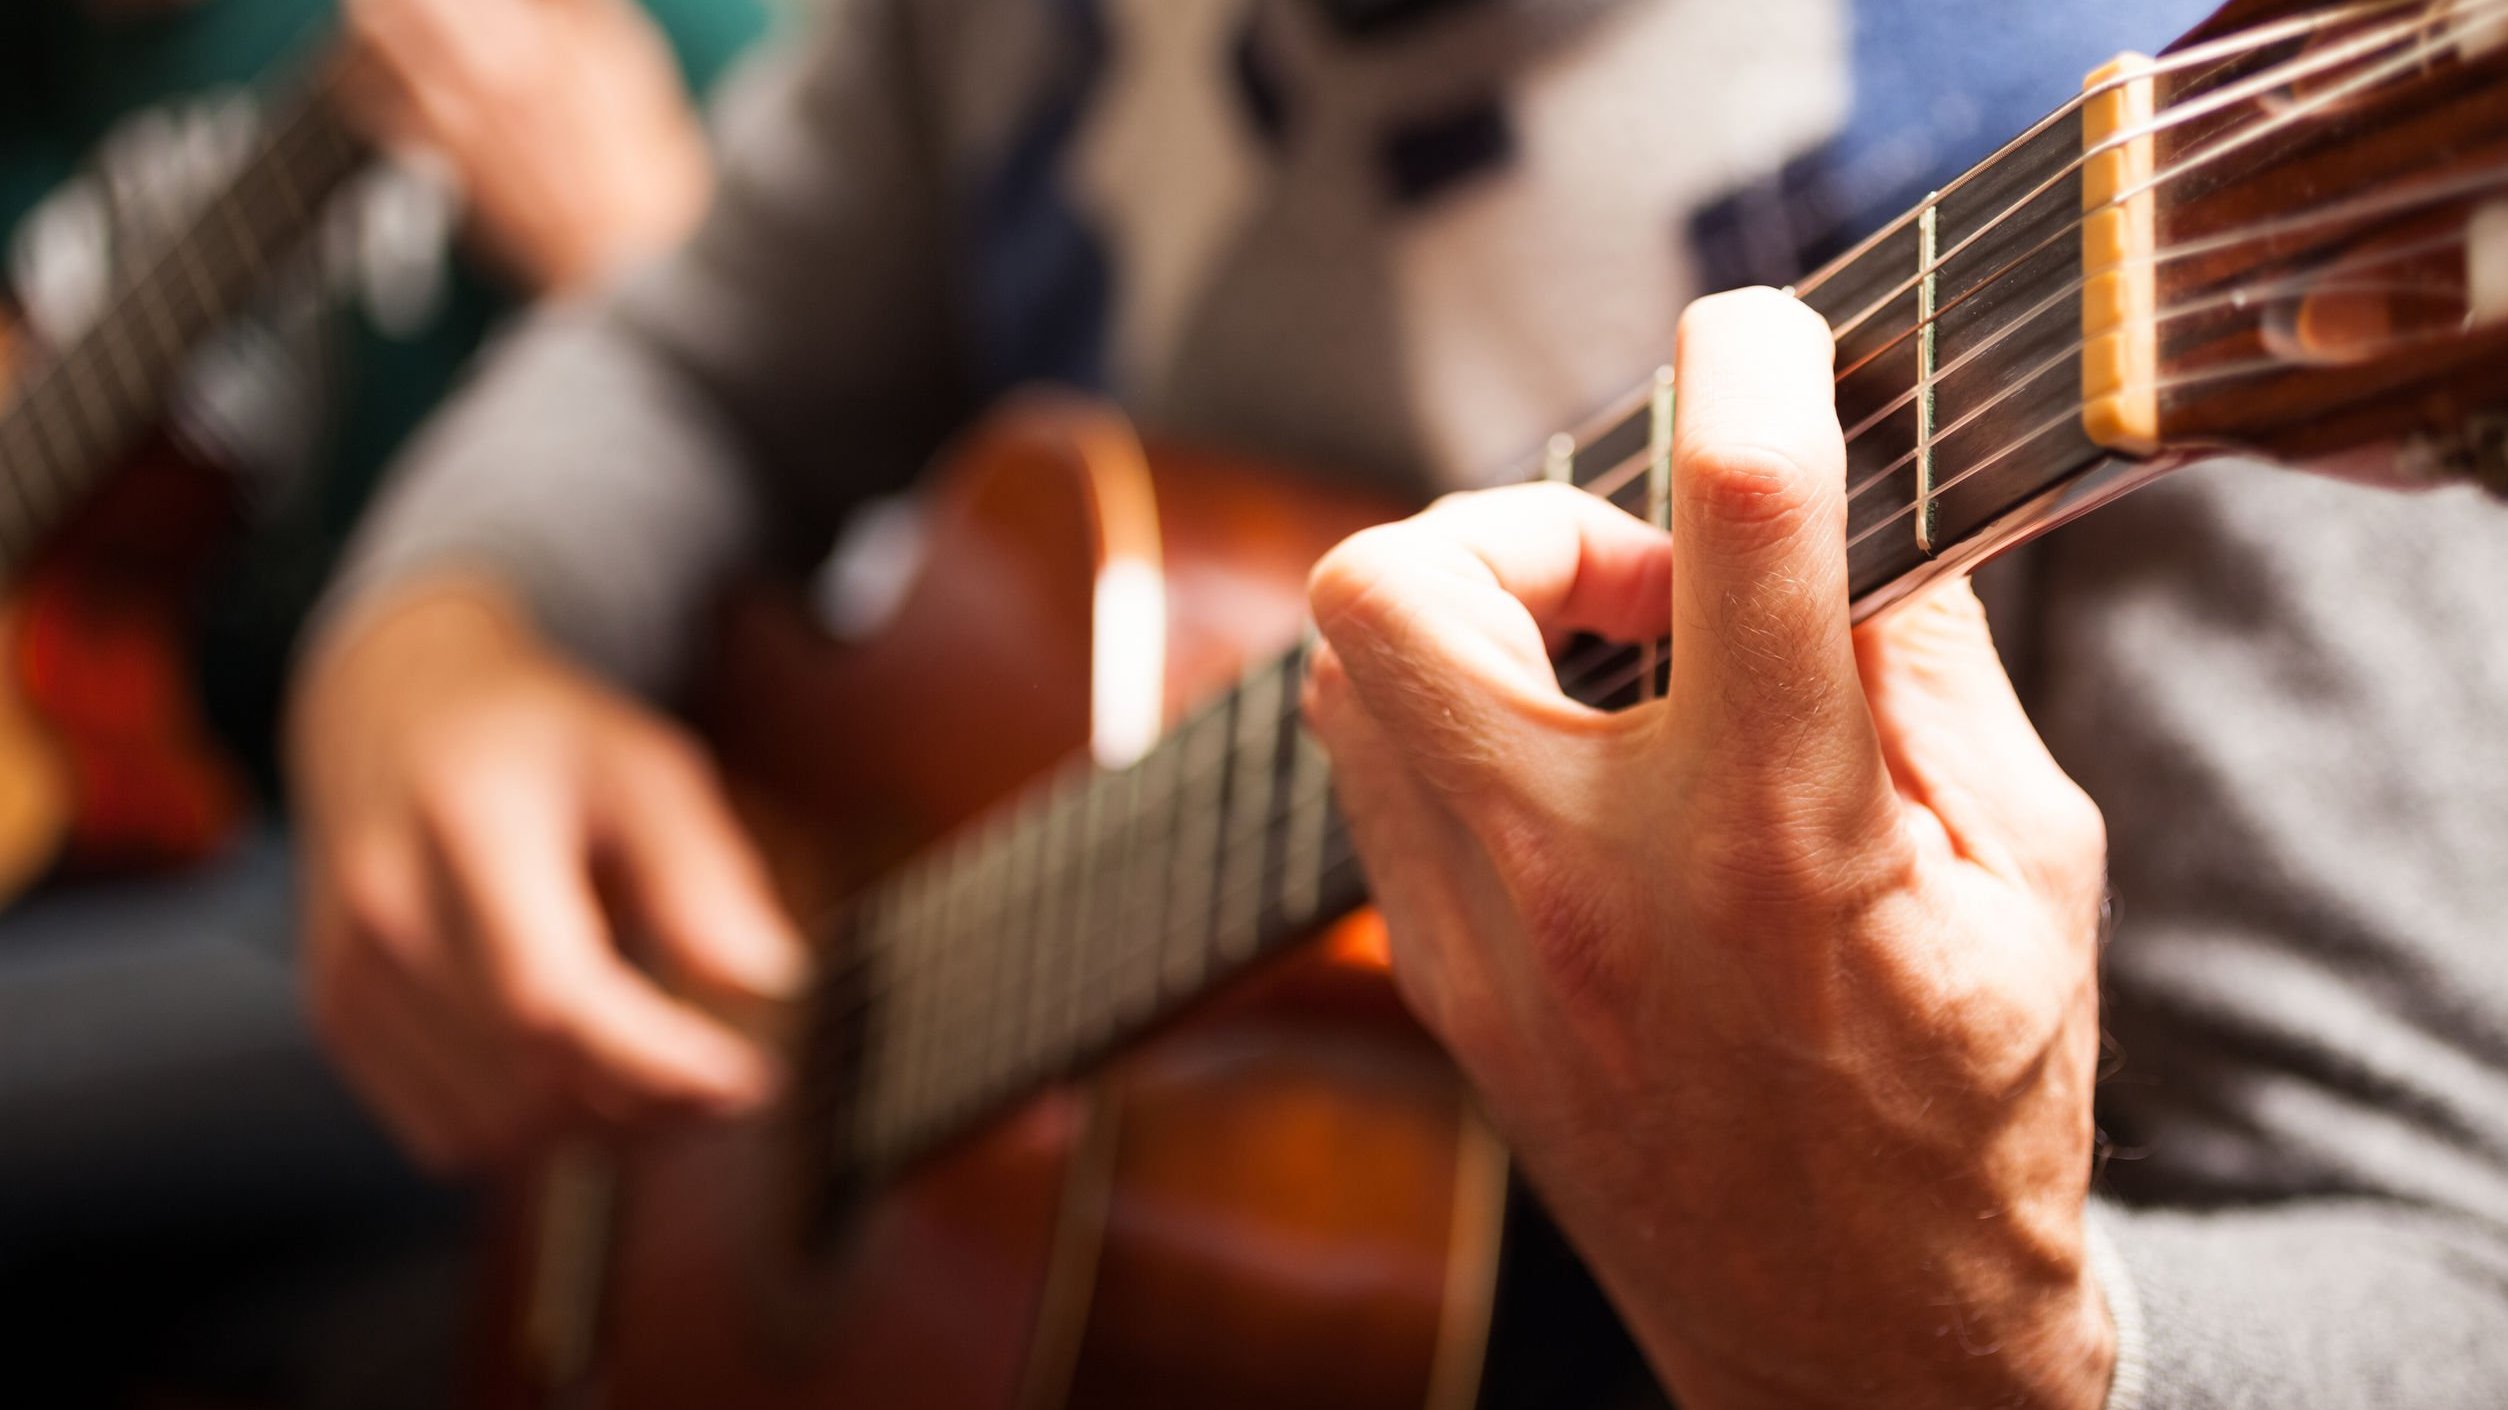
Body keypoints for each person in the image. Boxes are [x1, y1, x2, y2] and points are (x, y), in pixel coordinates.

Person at [288, 0, 2508, 1404]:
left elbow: (2453, 1278)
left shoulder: (2183, 143)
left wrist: (1989, 1351)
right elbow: (692, 351)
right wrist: (452, 635)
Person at [0, 0, 767, 1403]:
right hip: (159, 848)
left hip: (494, 922)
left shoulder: (678, 37)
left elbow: (927, 608)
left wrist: (648, 266)